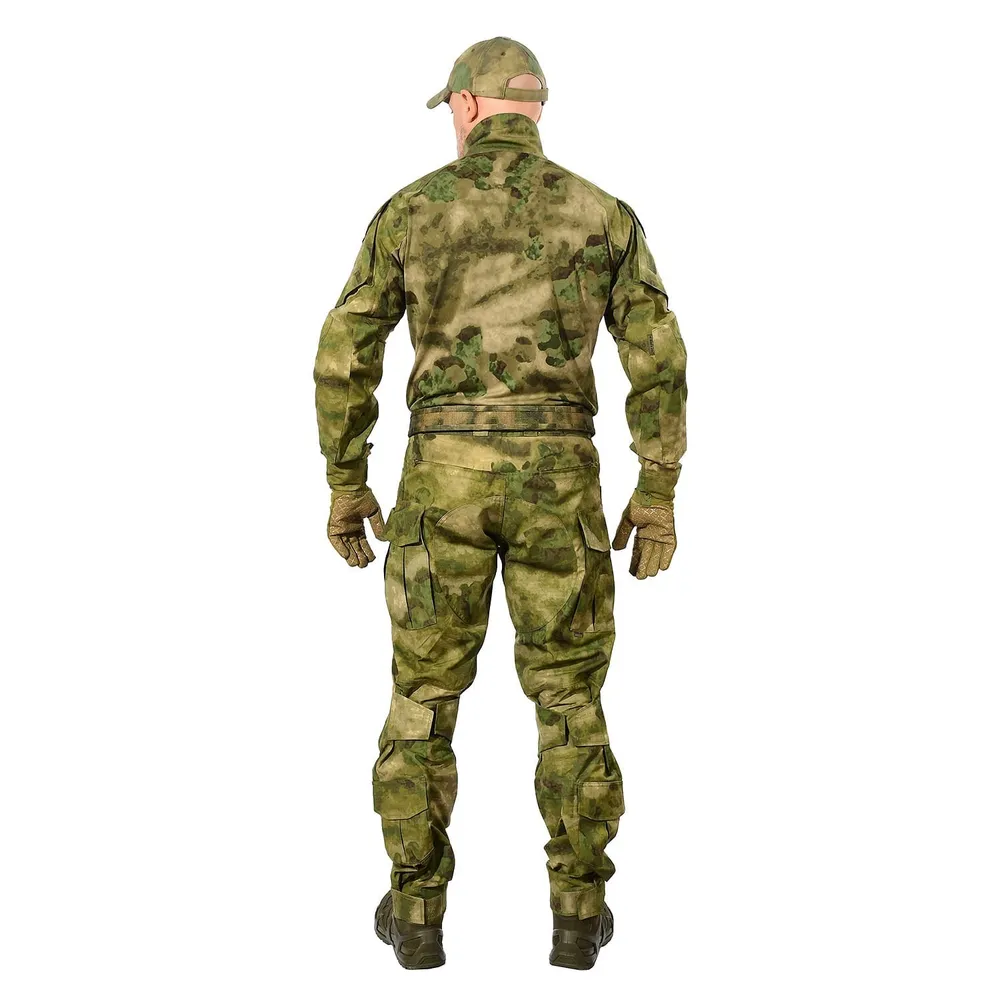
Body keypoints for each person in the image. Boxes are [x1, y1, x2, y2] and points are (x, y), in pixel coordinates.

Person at [313, 36, 687, 970]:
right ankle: (577, 914)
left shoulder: (411, 210)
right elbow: (658, 355)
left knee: (424, 695)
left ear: (470, 106)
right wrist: (657, 488)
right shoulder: (603, 214)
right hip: (561, 480)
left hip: (442, 479)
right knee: (569, 695)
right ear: (533, 109)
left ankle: (416, 914)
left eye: (452, 108)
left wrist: (347, 480)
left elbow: (344, 351)